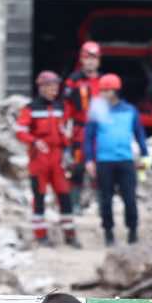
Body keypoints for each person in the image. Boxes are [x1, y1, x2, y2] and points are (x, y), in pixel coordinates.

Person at [82, 73, 149, 247]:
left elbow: (139, 134)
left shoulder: (129, 110)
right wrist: (89, 159)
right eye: (102, 90)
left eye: (107, 90)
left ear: (115, 91)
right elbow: (88, 137)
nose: (103, 93)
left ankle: (132, 230)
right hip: (104, 161)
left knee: (129, 198)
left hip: (125, 160)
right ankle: (108, 232)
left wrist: (145, 155)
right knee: (105, 199)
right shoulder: (96, 110)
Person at [15, 71, 78, 247]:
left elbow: (63, 129)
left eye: (56, 86)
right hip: (39, 159)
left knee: (65, 195)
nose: (54, 90)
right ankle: (41, 236)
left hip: (57, 158)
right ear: (41, 87)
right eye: (51, 86)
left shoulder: (59, 107)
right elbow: (20, 131)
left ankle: (70, 235)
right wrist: (34, 141)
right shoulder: (31, 108)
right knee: (39, 197)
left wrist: (68, 146)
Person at [62, 41, 105, 213]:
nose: (90, 62)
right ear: (81, 59)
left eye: (94, 58)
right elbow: (66, 107)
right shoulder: (73, 81)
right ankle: (74, 204)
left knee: (101, 168)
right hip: (80, 131)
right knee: (77, 167)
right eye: (87, 58)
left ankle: (102, 205)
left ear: (99, 60)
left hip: (101, 133)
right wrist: (64, 128)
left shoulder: (104, 81)